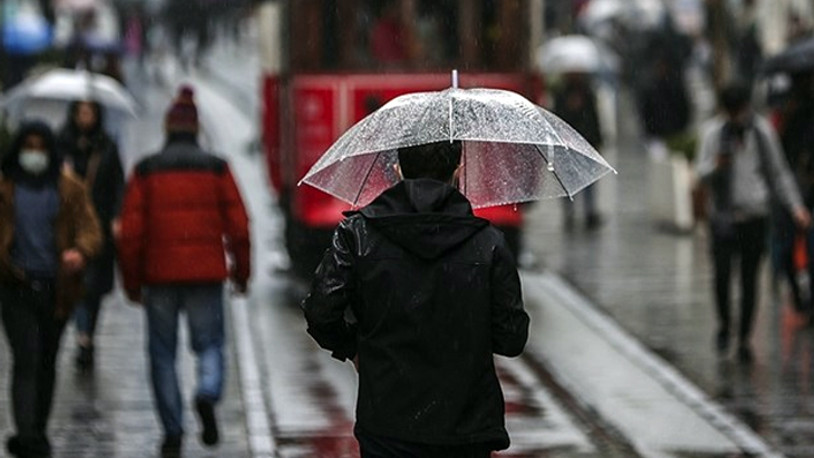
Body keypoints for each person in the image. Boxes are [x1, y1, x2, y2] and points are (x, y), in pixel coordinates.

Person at [302, 140, 530, 457]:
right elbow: (512, 338)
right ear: (457, 172)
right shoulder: (487, 243)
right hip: (465, 428)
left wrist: (354, 348)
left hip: (387, 424)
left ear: (397, 171)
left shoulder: (358, 234)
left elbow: (320, 311)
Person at [117, 86, 251, 458]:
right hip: (206, 273)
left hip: (159, 277)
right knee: (210, 344)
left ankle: (172, 430)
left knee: (162, 353)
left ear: (167, 129)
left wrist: (131, 283)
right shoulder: (217, 167)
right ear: (196, 129)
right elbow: (240, 227)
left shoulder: (145, 170)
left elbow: (130, 235)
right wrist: (242, 273)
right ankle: (207, 391)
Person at [0, 121, 102, 457]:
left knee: (46, 360)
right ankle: (27, 435)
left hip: (56, 290)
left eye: (39, 146)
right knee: (26, 358)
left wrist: (80, 251)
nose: (34, 153)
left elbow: (90, 229)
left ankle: (38, 429)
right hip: (16, 287)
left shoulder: (68, 187)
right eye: (27, 146)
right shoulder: (6, 186)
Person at [695, 83, 811, 363]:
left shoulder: (762, 133)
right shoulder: (713, 133)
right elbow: (700, 172)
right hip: (722, 217)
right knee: (722, 276)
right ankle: (725, 326)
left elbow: (779, 172)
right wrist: (716, 166)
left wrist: (796, 207)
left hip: (754, 217)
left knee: (749, 279)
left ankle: (744, 337)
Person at [57, 100, 125, 372]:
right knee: (76, 284)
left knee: (92, 288)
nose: (85, 117)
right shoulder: (61, 143)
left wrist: (116, 217)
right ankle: (83, 337)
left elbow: (118, 184)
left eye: (90, 112)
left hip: (97, 226)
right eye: (81, 112)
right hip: (67, 227)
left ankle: (87, 335)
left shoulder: (106, 145)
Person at [553, 72, 604, 229]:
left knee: (588, 181)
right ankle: (569, 214)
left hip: (586, 141)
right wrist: (570, 107)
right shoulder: (561, 94)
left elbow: (593, 117)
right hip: (568, 144)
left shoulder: (587, 92)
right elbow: (558, 118)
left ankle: (590, 213)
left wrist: (597, 139)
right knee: (568, 180)